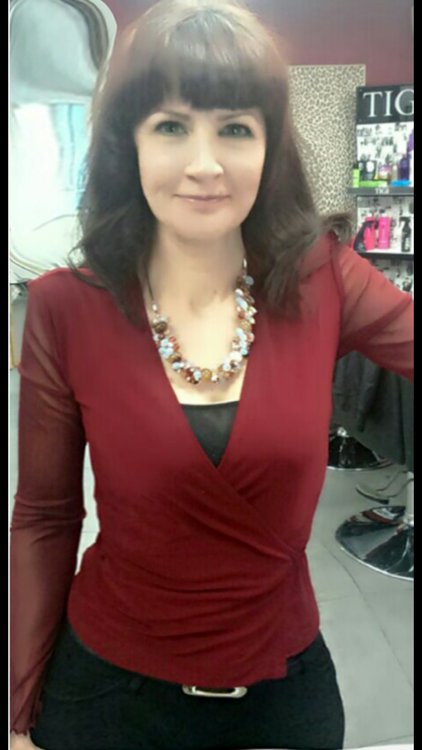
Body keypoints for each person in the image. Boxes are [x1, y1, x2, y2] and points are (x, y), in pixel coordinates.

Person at [10, 0, 414, 748]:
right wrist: (16, 716)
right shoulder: (67, 308)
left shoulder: (323, 279)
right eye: (170, 126)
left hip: (281, 693)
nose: (204, 163)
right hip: (108, 696)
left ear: (268, 147)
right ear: (129, 142)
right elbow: (44, 516)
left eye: (234, 128)